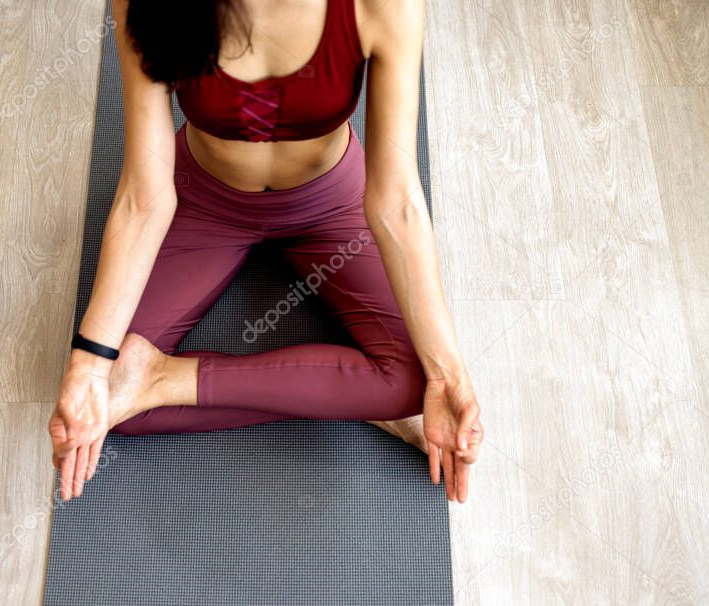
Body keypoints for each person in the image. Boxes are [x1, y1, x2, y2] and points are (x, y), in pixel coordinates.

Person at [49, 0, 483, 504]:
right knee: (107, 403)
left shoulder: (383, 6)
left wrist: (450, 375)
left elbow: (397, 203)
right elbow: (142, 197)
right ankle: (335, 394)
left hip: (331, 200)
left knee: (416, 381)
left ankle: (163, 379)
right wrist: (89, 366)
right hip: (202, 200)